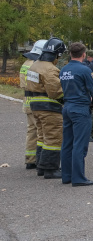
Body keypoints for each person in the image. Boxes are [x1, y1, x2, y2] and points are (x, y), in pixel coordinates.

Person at [59, 42, 93, 186]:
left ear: (70, 53)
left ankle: (66, 176)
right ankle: (78, 178)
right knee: (80, 144)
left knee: (67, 143)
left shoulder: (63, 70)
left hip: (67, 108)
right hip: (80, 109)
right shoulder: (84, 70)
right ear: (84, 54)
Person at [28, 38, 67, 179]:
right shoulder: (50, 69)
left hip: (35, 106)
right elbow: (55, 91)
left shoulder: (35, 65)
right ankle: (51, 169)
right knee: (53, 138)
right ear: (56, 54)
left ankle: (41, 166)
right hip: (49, 108)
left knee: (42, 137)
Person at [20, 39, 47, 169]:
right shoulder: (36, 65)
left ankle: (30, 159)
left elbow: (23, 84)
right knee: (41, 132)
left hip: (27, 102)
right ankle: (40, 160)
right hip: (36, 102)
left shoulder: (26, 63)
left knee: (32, 131)